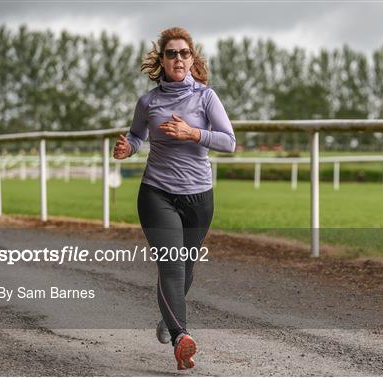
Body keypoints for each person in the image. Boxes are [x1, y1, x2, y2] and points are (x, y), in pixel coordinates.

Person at [113, 26, 236, 370]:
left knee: (186, 268)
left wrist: (192, 132)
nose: (178, 58)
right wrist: (127, 148)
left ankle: (169, 318)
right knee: (171, 265)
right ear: (162, 60)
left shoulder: (206, 98)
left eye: (184, 53)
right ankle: (181, 336)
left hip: (199, 196)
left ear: (192, 59)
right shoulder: (148, 102)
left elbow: (229, 141)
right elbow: (137, 135)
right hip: (157, 194)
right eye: (171, 53)